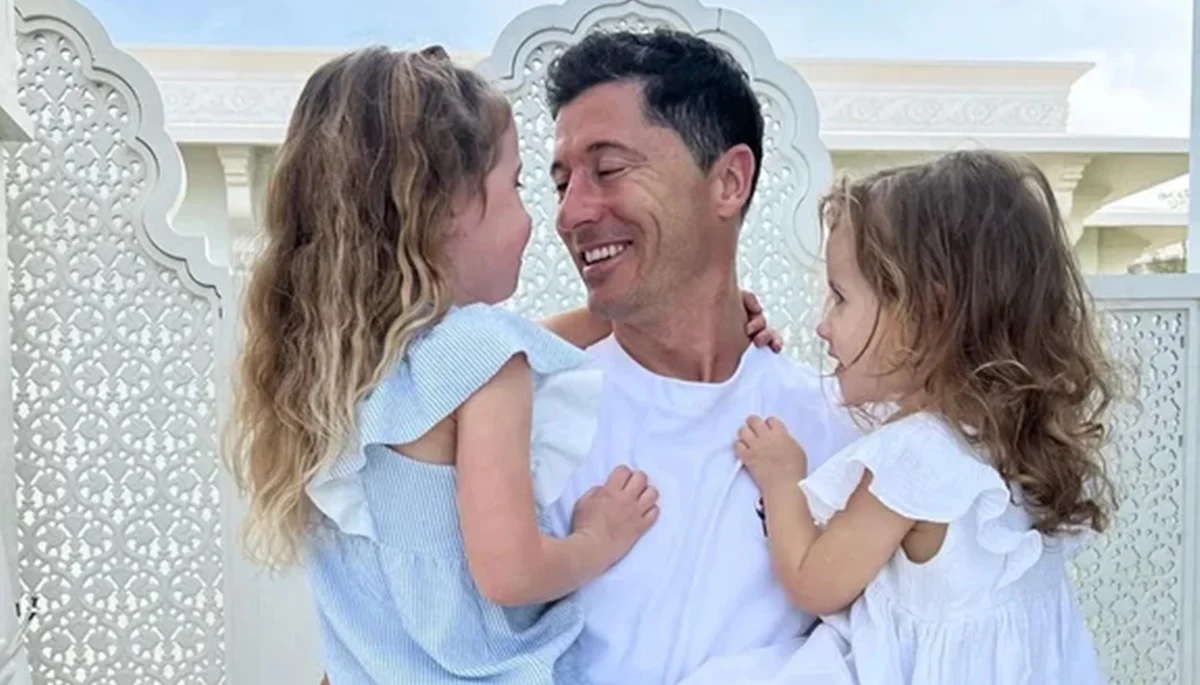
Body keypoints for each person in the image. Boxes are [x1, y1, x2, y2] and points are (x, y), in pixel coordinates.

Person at [224, 45, 779, 685]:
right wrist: (600, 537)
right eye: (516, 186)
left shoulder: (350, 378)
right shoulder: (482, 361)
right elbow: (511, 574)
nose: (552, 217)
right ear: (442, 209)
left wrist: (702, 309)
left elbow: (517, 349)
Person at [710, 150, 1115, 684]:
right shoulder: (1008, 438)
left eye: (839, 298)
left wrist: (782, 480)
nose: (822, 326)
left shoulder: (914, 456)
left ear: (928, 315)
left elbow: (814, 583)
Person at [541, 29, 861, 685]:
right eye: (562, 182)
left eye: (608, 169)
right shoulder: (531, 423)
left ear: (729, 181)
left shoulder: (838, 428)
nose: (571, 213)